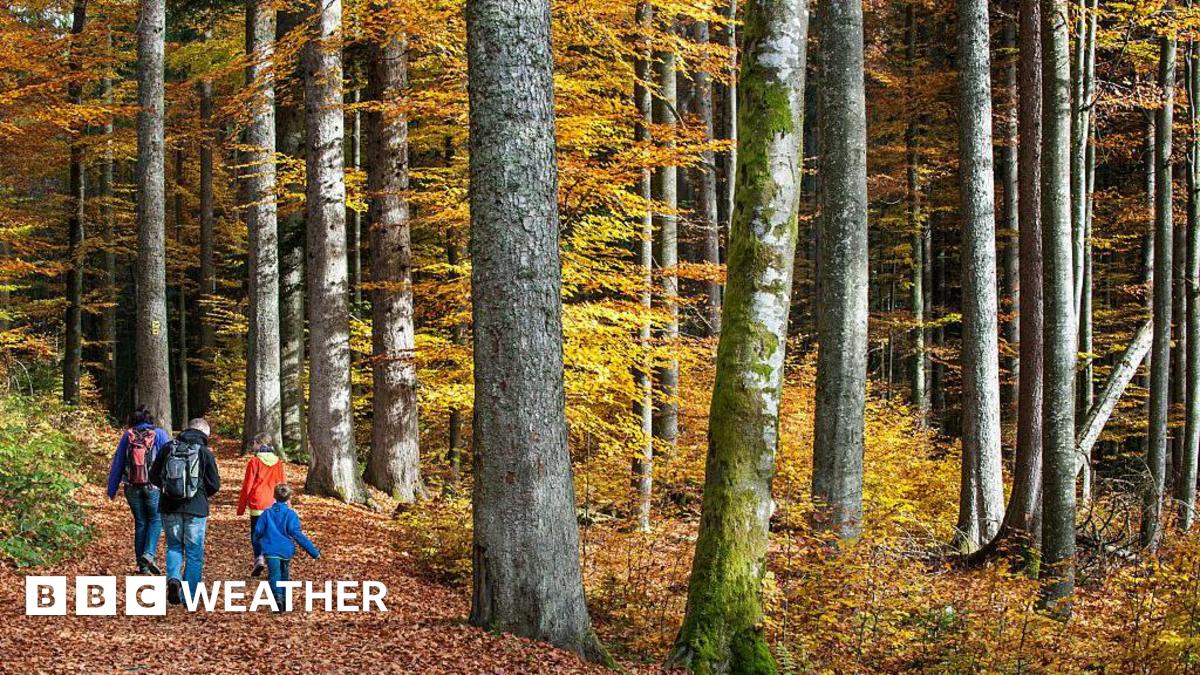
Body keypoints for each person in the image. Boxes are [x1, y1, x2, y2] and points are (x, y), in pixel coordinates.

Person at [150, 418, 220, 605]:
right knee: (194, 553)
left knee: (173, 547)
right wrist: (200, 492)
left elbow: (154, 476)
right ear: (204, 434)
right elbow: (214, 484)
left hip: (169, 506)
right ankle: (189, 596)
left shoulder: (168, 448)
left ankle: (174, 578)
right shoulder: (204, 453)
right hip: (196, 509)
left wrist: (168, 490)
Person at [105, 405, 172, 575]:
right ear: (150, 420)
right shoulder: (159, 434)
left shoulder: (127, 436)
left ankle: (142, 566)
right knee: (156, 520)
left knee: (141, 523)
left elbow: (118, 462)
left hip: (131, 487)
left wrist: (112, 489)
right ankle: (149, 554)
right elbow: (169, 459)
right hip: (153, 486)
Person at [254, 483, 320, 610]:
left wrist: (258, 541)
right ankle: (284, 599)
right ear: (289, 498)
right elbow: (298, 534)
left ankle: (278, 598)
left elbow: (258, 531)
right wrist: (314, 552)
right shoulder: (291, 515)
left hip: (271, 549)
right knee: (284, 573)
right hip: (286, 550)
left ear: (274, 496)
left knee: (274, 574)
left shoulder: (267, 513)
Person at [236, 432, 286, 577]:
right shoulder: (278, 462)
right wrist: (286, 504)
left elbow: (247, 486)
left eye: (254, 443)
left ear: (259, 444)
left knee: (257, 533)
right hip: (274, 503)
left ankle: (259, 558)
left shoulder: (254, 462)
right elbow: (283, 484)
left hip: (258, 503)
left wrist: (241, 508)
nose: (253, 446)